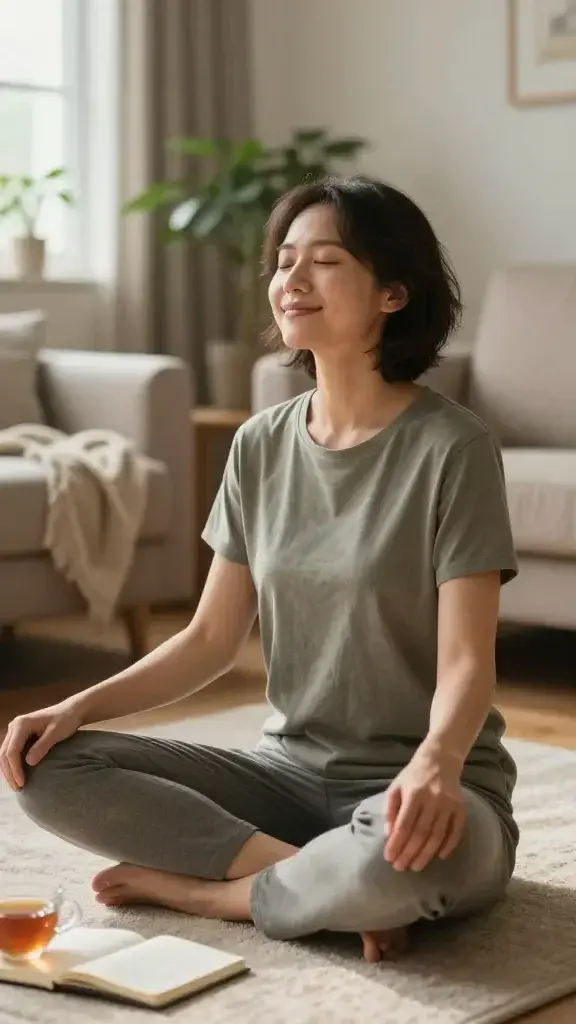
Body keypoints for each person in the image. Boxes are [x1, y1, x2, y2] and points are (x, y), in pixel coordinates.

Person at [0, 176, 519, 964]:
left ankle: (215, 891)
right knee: (47, 767)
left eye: (326, 261)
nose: (292, 280)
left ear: (392, 294)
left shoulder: (454, 448)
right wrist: (76, 706)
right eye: (283, 262)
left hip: (425, 789)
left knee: (405, 858)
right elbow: (210, 639)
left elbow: (467, 659)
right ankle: (315, 882)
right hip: (287, 778)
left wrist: (436, 767)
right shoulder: (260, 445)